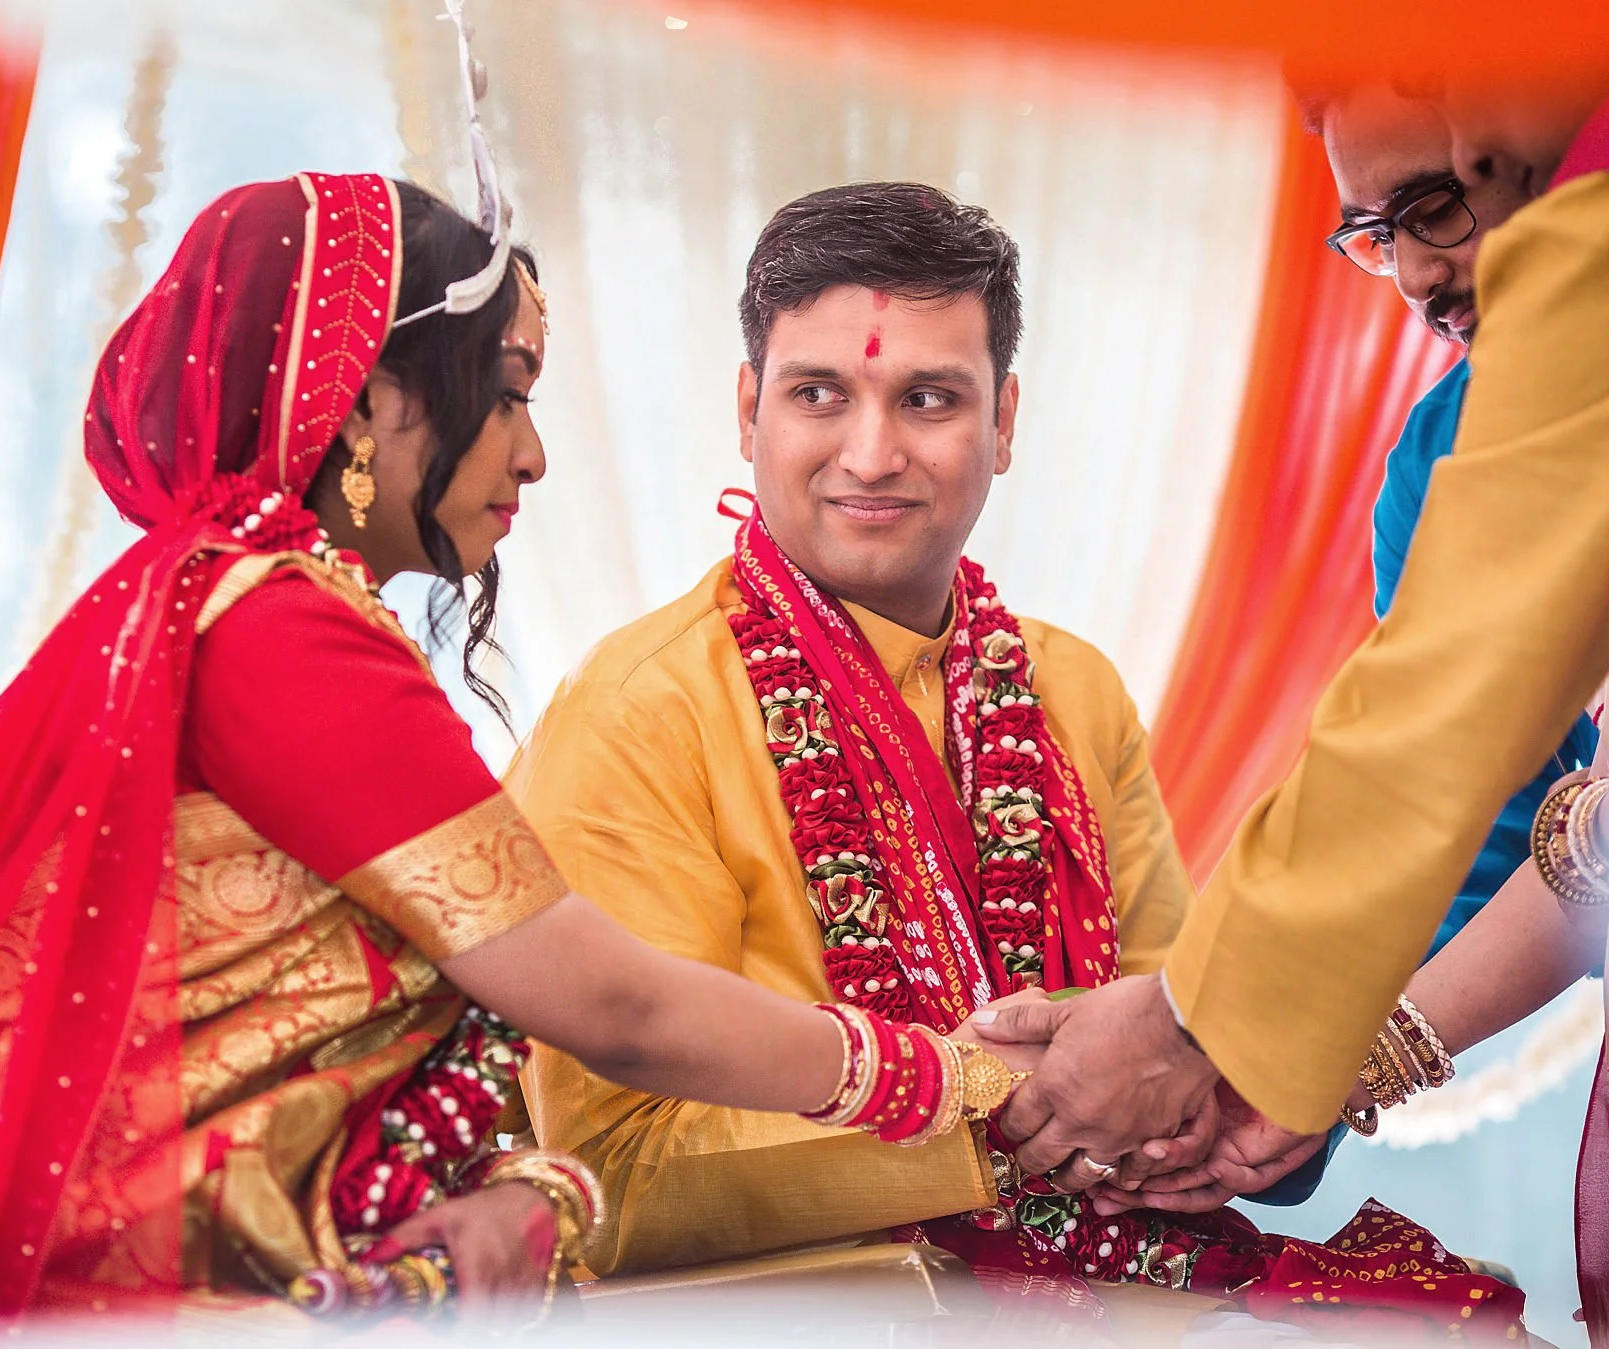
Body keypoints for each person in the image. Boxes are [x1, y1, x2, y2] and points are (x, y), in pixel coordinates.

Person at [0, 171, 1046, 1333]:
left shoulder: (233, 604)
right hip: (68, 1279)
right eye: (509, 394)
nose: (531, 455)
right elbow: (613, 1010)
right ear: (369, 404)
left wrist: (537, 1195)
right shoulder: (278, 633)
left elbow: (448, 1080)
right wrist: (959, 1073)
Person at [507, 181, 1523, 1339]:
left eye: (928, 396)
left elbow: (1173, 1031)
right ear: (749, 412)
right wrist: (998, 1105)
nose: (871, 451)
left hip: (1121, 1275)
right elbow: (617, 1180)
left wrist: (1201, 1087)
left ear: (1003, 421)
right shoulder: (641, 714)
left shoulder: (1068, 687)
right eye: (817, 394)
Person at [986, 50, 1609, 1349]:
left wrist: (1212, 1026)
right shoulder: (1446, 439)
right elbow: (1524, 817)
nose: (1420, 265)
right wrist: (1288, 1063)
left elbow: (1453, 713)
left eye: (1446, 189)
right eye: (1373, 230)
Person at [1312, 78, 1596, 958]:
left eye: (1433, 207)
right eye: (1375, 238)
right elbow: (1468, 818)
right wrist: (1245, 1061)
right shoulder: (1433, 468)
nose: (1413, 276)